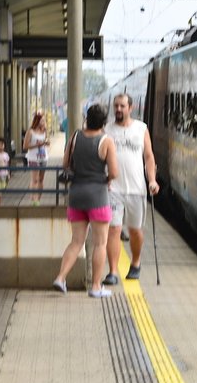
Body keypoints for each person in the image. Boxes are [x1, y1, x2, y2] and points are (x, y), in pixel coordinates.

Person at [53, 105, 119, 297]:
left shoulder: (74, 137)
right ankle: (96, 287)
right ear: (104, 122)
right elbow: (114, 172)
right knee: (100, 243)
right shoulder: (106, 141)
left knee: (76, 242)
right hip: (98, 196)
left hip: (76, 195)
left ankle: (60, 278)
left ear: (86, 119)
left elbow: (65, 164)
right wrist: (105, 179)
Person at [103, 93, 159, 285]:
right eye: (116, 106)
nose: (118, 109)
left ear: (130, 108)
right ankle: (112, 271)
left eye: (122, 106)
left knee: (135, 231)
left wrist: (152, 180)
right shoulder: (107, 130)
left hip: (137, 189)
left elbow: (149, 157)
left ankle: (135, 263)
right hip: (113, 189)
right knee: (114, 230)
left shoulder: (141, 129)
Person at [23, 111, 50, 205]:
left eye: (44, 120)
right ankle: (34, 200)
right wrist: (37, 145)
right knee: (34, 179)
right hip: (33, 158)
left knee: (41, 179)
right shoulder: (30, 131)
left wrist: (46, 143)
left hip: (44, 157)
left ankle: (38, 198)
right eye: (42, 120)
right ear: (37, 121)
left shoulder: (44, 131)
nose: (43, 122)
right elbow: (25, 146)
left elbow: (45, 143)